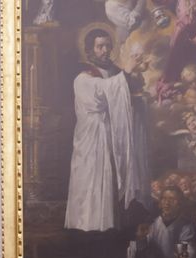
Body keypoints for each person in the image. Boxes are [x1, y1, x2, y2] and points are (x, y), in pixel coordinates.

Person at [64, 28, 150, 233]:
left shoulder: (113, 71)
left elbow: (128, 89)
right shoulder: (83, 77)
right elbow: (102, 94)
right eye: (100, 46)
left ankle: (113, 223)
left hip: (111, 134)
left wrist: (135, 73)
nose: (105, 50)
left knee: (113, 175)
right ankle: (89, 224)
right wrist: (127, 72)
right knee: (93, 177)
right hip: (93, 136)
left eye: (107, 46)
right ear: (89, 50)